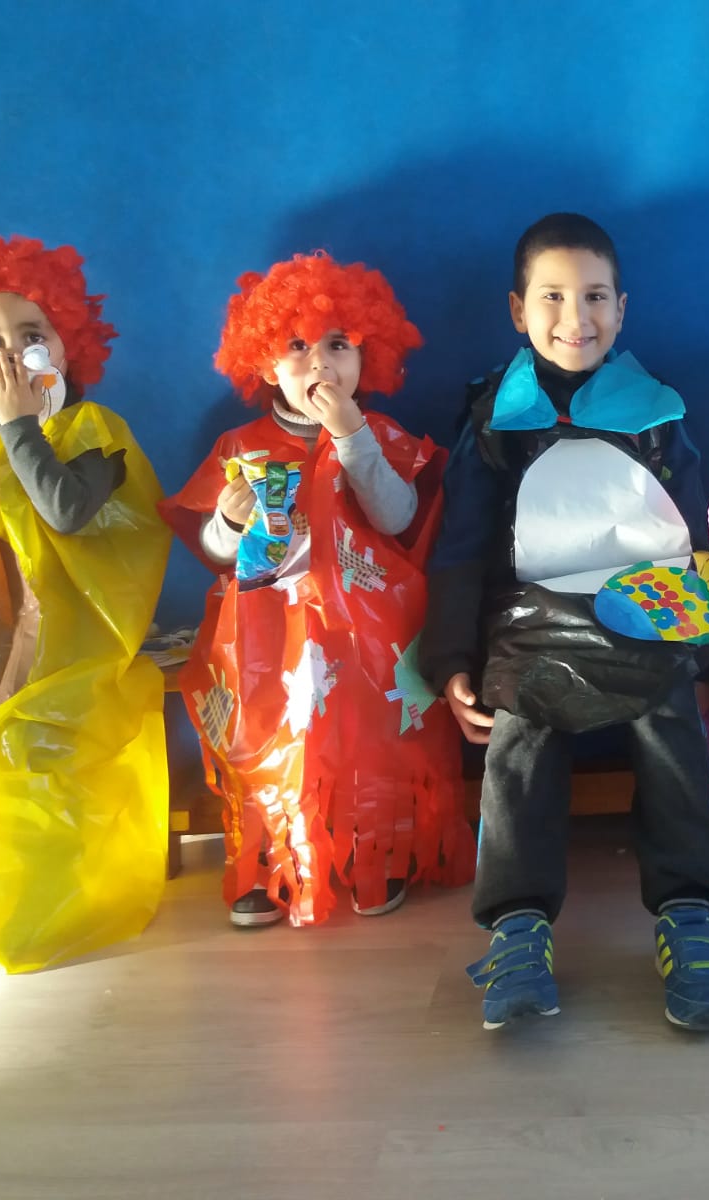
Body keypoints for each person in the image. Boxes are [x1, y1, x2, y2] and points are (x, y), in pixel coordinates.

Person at [422, 213, 709, 1031]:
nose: (576, 316)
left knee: (672, 723)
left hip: (647, 620)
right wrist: (451, 660)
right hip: (531, 628)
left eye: (596, 296)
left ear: (622, 309)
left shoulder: (658, 412)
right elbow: (461, 546)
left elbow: (699, 539)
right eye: (553, 296)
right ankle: (518, 925)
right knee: (518, 733)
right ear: (517, 310)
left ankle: (688, 914)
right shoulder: (493, 419)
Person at [161, 253, 471, 928]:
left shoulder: (379, 436)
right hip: (264, 636)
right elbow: (214, 556)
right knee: (263, 737)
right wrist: (228, 521)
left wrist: (352, 437)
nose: (320, 364)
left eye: (338, 345)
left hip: (365, 633)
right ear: (266, 364)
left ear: (366, 358)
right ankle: (266, 864)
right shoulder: (238, 446)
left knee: (372, 740)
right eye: (297, 346)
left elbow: (397, 517)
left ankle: (376, 853)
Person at [0, 233, 169, 972]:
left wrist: (21, 426)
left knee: (35, 750)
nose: (9, 355)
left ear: (66, 341)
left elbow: (64, 510)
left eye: (30, 335)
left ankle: (52, 907)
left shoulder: (95, 434)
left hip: (71, 653)